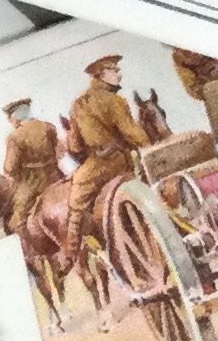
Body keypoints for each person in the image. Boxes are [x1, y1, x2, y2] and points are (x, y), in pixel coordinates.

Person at [60, 55, 152, 265]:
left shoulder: (78, 104)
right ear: (101, 75)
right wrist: (147, 146)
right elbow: (132, 132)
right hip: (119, 160)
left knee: (77, 196)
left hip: (99, 162)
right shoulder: (115, 100)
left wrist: (85, 154)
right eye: (114, 71)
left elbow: (74, 144)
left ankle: (71, 253)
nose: (119, 75)